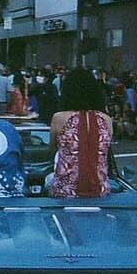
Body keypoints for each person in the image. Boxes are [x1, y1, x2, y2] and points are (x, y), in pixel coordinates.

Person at [47, 68, 113, 198]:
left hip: (66, 191)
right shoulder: (106, 119)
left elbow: (52, 150)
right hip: (100, 190)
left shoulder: (59, 118)